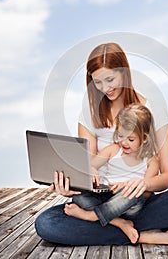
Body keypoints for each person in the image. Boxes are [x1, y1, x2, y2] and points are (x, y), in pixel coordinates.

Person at [35, 42, 168, 246]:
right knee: (45, 224)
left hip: (138, 199)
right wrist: (70, 185)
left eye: (110, 79)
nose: (105, 88)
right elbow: (89, 169)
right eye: (97, 82)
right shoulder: (89, 115)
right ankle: (139, 233)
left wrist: (143, 184)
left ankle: (105, 223)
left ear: (124, 73)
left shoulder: (153, 109)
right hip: (99, 199)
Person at [65, 104, 160, 244]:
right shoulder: (113, 150)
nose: (124, 142)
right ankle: (119, 223)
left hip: (128, 204)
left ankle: (90, 216)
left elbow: (147, 192)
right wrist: (92, 170)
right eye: (121, 136)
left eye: (131, 139)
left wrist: (126, 187)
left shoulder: (151, 161)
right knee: (79, 197)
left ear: (144, 138)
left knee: (135, 193)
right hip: (105, 198)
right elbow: (89, 165)